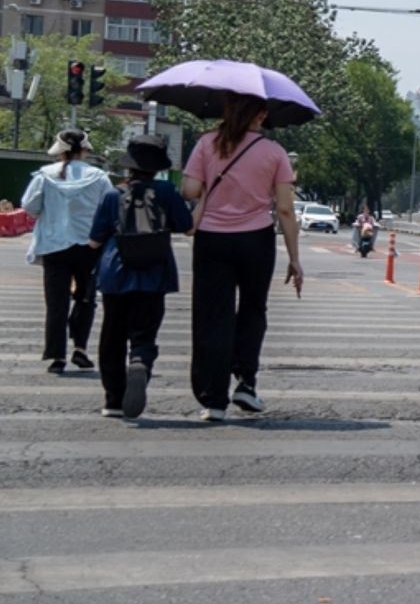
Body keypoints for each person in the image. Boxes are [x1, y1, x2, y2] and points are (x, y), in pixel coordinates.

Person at [182, 93, 303, 422]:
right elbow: (285, 209)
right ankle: (245, 383)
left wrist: (208, 184)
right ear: (260, 116)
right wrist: (294, 258)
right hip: (255, 240)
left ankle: (213, 399)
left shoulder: (207, 143)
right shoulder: (275, 152)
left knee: (212, 316)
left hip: (211, 240)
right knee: (252, 310)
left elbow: (190, 190)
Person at [87, 136, 192, 419]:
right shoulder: (166, 191)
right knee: (145, 330)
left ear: (129, 167)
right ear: (157, 167)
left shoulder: (112, 194)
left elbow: (96, 239)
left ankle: (113, 400)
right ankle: (140, 361)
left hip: (116, 271)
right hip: (155, 271)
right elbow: (186, 225)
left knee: (112, 335)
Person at [20, 129, 113, 374]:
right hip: (89, 246)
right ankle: (80, 348)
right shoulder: (99, 177)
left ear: (59, 151)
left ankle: (56, 355)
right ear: (84, 150)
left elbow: (29, 206)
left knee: (56, 302)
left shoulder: (44, 175)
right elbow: (109, 209)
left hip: (54, 245)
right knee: (86, 298)